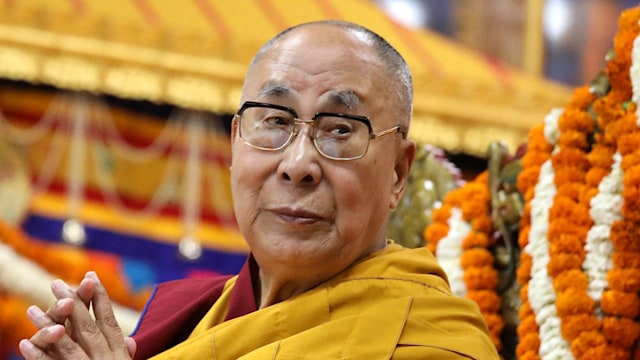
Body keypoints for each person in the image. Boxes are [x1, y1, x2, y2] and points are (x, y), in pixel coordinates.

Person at [18, 20, 499, 359]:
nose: (297, 164)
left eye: (338, 129)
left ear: (397, 172)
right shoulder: (183, 321)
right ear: (234, 144)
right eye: (275, 121)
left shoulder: (433, 344)